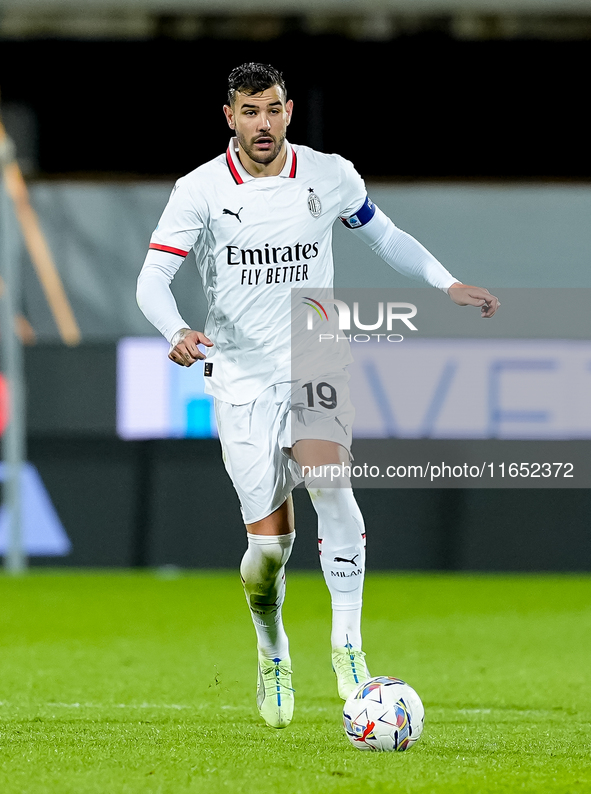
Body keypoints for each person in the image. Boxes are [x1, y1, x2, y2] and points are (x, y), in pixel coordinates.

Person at [136, 62, 499, 730]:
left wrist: (445, 283)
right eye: (249, 112)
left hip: (315, 356)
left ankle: (348, 647)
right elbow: (152, 278)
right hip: (240, 377)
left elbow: (384, 234)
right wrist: (177, 328)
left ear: (289, 110)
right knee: (270, 550)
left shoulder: (330, 174)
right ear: (229, 118)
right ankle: (271, 647)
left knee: (331, 482)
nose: (263, 123)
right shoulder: (199, 190)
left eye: (272, 109)